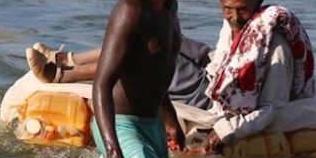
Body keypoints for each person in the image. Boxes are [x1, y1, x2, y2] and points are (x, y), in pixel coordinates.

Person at [92, 0, 201, 158]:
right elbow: (101, 85)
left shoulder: (171, 8)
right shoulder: (132, 10)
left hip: (152, 124)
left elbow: (155, 69)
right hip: (122, 124)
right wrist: (114, 154)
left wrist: (170, 117)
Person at [202, 0, 315, 154]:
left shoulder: (276, 47)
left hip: (259, 118)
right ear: (220, 1)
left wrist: (225, 130)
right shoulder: (230, 24)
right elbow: (218, 65)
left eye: (243, 10)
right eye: (228, 9)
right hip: (227, 102)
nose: (235, 17)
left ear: (259, 1)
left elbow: (272, 108)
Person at [26, 36, 213, 109]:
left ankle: (63, 74)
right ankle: (67, 59)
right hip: (212, 65)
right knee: (154, 32)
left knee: (145, 51)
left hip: (207, 89)